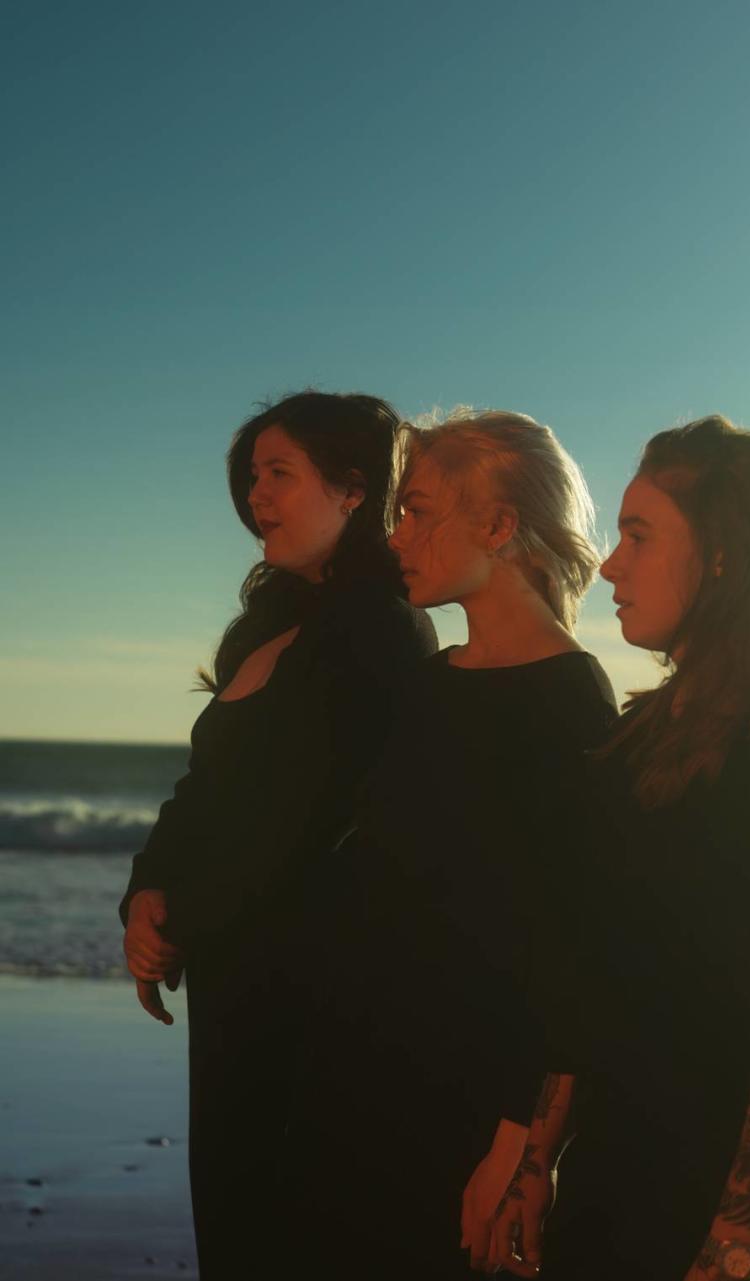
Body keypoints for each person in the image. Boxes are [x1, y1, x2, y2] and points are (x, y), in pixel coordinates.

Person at [491, 415, 750, 1281]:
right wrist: (538, 1161)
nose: (609, 564)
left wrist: (737, 1241)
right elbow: (587, 978)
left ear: (723, 553)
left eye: (639, 535)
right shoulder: (636, 741)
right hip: (609, 1182)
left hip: (721, 1214)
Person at [118, 390, 437, 1279]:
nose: (257, 494)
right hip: (236, 985)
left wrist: (185, 918)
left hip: (316, 1005)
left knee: (290, 1238)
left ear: (351, 491)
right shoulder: (267, 623)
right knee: (231, 1226)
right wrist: (145, 891)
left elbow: (308, 831)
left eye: (280, 473)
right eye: (253, 475)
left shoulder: (385, 631)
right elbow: (208, 790)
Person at [312, 408, 618, 1279]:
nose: (395, 533)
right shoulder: (429, 683)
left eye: (416, 511)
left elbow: (571, 946)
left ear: (497, 525)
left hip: (471, 1106)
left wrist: (522, 1148)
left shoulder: (570, 702)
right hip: (373, 1075)